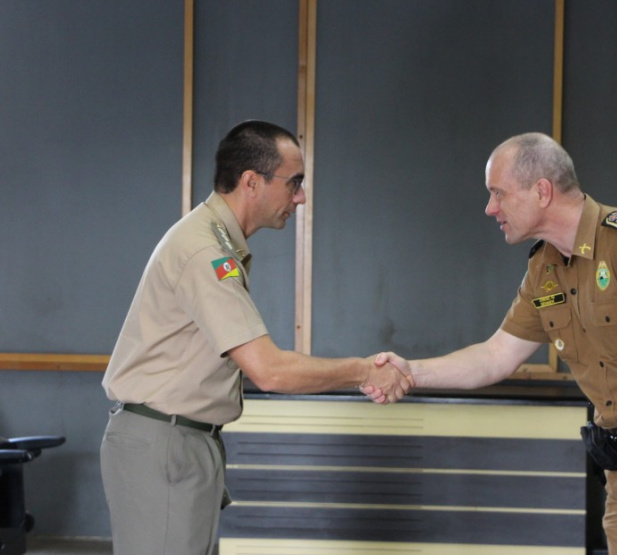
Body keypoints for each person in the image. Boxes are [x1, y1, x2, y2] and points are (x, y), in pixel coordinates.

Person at [368, 132, 617, 553]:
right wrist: (411, 372)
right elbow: (496, 356)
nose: (490, 208)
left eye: (498, 194)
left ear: (542, 191)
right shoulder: (544, 268)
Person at [100, 120, 413, 554]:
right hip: (166, 442)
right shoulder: (206, 253)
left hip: (182, 439)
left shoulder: (218, 243)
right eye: (295, 183)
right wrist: (364, 371)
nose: (300, 197)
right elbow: (269, 371)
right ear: (251, 182)